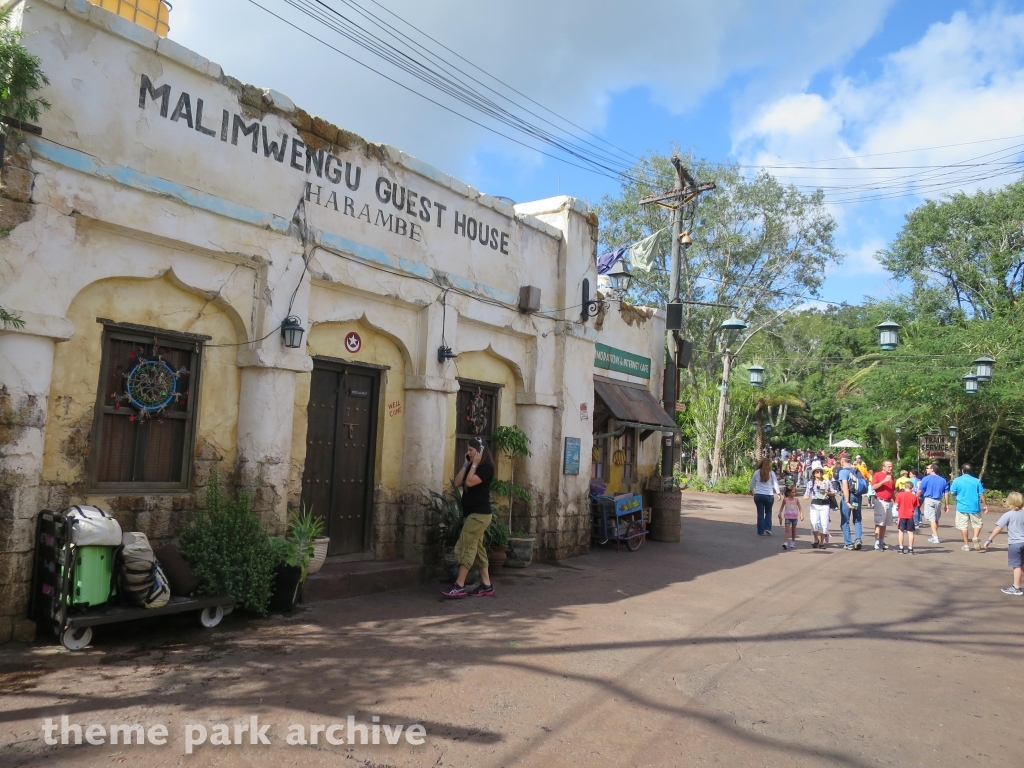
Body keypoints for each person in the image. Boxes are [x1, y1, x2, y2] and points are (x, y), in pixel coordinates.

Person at [441, 437, 496, 598]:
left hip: (480, 515)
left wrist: (473, 464)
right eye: (468, 450)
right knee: (477, 550)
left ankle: (459, 585)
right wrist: (466, 464)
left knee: (466, 547)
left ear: (480, 452)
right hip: (472, 514)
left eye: (471, 450)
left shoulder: (486, 467)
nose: (468, 453)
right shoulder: (472, 467)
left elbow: (470, 483)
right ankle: (486, 585)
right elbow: (458, 482)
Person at [983, 491, 1024, 595]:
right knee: (1022, 565)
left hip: (1015, 544)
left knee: (1017, 566)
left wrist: (989, 539)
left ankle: (1016, 587)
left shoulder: (1008, 515)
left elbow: (998, 528)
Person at [950, 463, 988, 551]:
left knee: (963, 526)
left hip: (961, 507)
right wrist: (985, 504)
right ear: (971, 471)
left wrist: (955, 497)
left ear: (962, 470)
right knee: (977, 524)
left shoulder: (957, 480)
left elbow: (952, 492)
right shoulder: (976, 481)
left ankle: (966, 545)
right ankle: (975, 537)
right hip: (974, 506)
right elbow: (981, 494)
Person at [837, 453, 864, 550]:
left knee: (845, 520)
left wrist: (847, 501)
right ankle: (858, 539)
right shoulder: (856, 470)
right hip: (858, 497)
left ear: (842, 460)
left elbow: (845, 487)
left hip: (849, 496)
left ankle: (849, 543)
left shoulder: (843, 471)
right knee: (857, 519)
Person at [917, 463, 949, 544]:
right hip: (938, 500)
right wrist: (946, 504)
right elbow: (946, 493)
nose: (926, 469)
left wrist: (914, 497)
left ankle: (935, 537)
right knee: (936, 518)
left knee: (931, 519)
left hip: (929, 499)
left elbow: (920, 490)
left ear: (932, 469)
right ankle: (934, 535)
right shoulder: (943, 480)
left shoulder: (926, 479)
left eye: (927, 468)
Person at [750, 457, 781, 536]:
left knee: (760, 513)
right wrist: (778, 493)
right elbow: (775, 484)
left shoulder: (757, 472)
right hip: (769, 496)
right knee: (768, 512)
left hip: (758, 495)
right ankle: (768, 528)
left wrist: (751, 490)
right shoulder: (771, 473)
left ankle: (760, 531)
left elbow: (752, 483)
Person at [805, 466, 834, 549]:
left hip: (825, 504)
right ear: (814, 474)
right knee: (814, 523)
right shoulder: (811, 483)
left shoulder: (827, 482)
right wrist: (807, 496)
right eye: (817, 472)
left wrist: (828, 493)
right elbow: (807, 494)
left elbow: (834, 492)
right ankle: (816, 539)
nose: (819, 473)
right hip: (815, 504)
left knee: (824, 524)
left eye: (820, 472)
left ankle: (822, 542)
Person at [895, 479, 919, 555]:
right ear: (912, 488)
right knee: (910, 532)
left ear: (904, 487)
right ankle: (910, 549)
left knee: (901, 531)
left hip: (901, 515)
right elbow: (915, 506)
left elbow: (896, 505)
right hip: (910, 516)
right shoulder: (914, 496)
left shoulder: (899, 495)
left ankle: (901, 548)